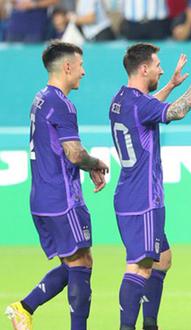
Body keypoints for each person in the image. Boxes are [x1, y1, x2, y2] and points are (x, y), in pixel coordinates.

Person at [4, 41, 109, 330]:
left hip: (42, 197)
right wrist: (95, 163)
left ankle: (23, 307)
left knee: (79, 262)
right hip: (62, 198)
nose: (84, 72)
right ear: (67, 67)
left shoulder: (40, 98)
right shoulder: (62, 104)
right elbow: (74, 153)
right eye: (81, 66)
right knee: (80, 265)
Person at [109, 42, 191, 330]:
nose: (162, 69)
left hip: (129, 194)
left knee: (162, 259)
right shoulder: (141, 104)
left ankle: (150, 323)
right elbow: (178, 112)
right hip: (143, 199)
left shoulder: (122, 99)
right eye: (158, 65)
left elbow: (149, 109)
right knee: (139, 266)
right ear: (143, 68)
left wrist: (172, 85)